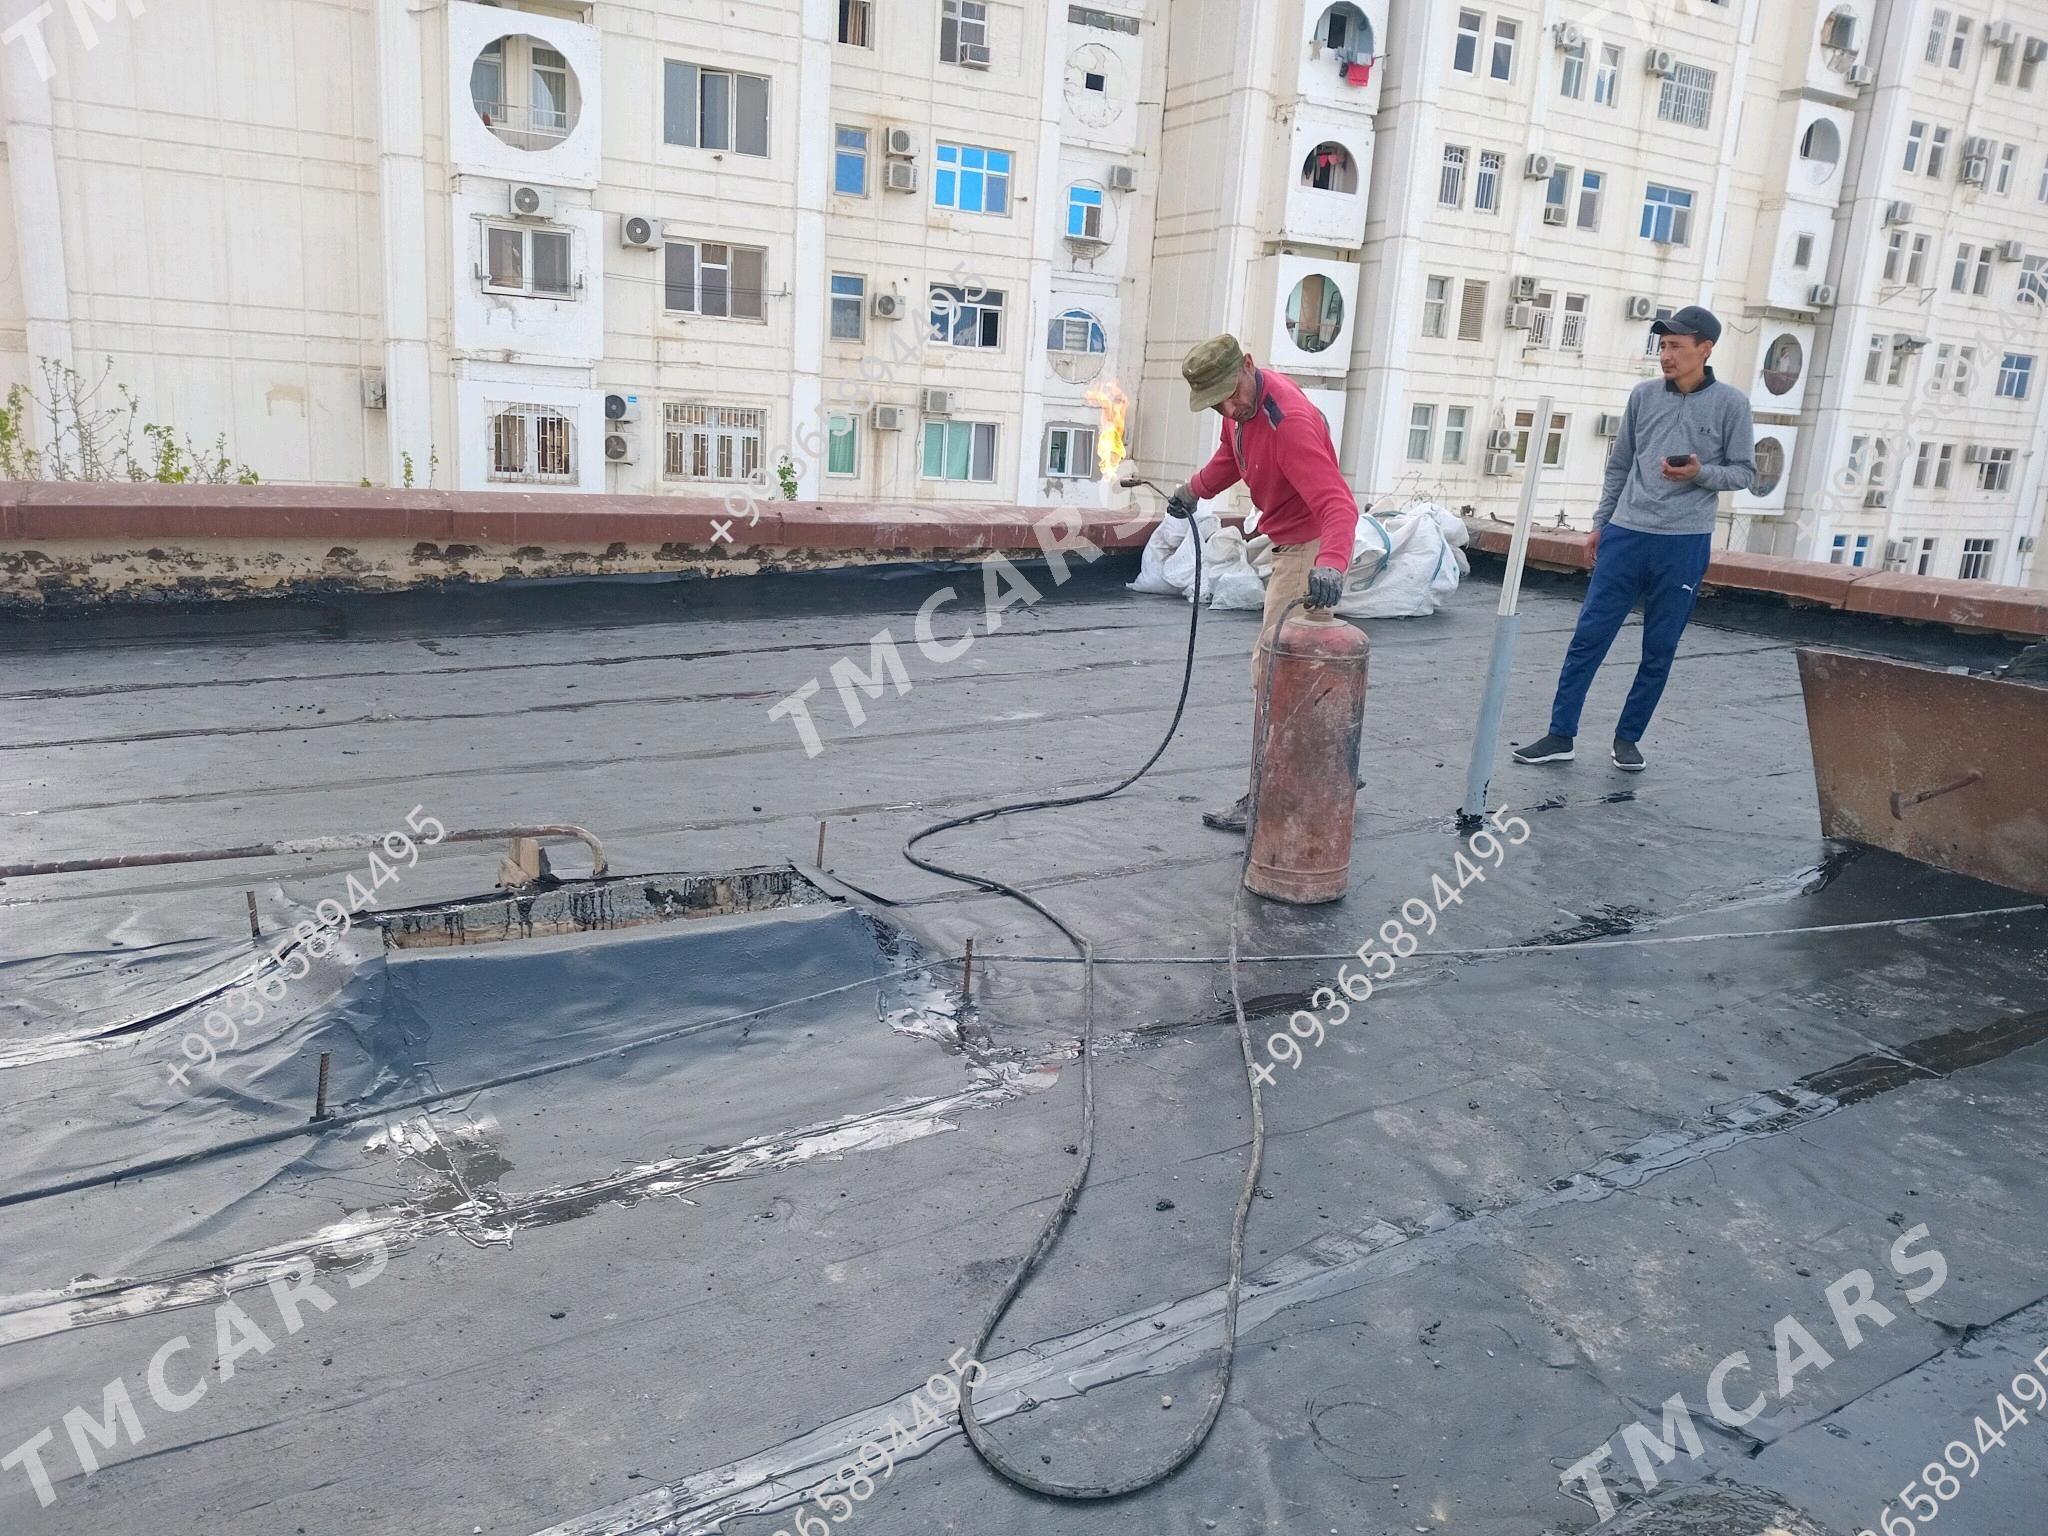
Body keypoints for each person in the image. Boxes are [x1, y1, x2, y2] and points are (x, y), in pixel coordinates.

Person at [1513, 305, 1755, 773]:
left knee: (1659, 646)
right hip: (1626, 534)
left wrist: (1700, 473)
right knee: (1588, 637)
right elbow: (1620, 464)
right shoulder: (1643, 396)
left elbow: (1744, 472)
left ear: (1705, 349)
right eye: (1663, 346)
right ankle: (1560, 734)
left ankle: (1628, 739)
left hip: (1683, 542)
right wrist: (1601, 524)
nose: (1666, 356)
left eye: (1677, 347)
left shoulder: (1731, 404)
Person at [1169, 334, 1363, 833]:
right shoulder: (1236, 413)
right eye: (1216, 403)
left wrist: (1332, 565)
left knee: (1275, 671)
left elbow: (1338, 504)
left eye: (1230, 395)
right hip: (1287, 544)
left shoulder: (1289, 423)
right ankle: (1325, 773)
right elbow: (1232, 460)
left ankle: (1272, 794)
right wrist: (1192, 491)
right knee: (1299, 673)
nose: (1228, 408)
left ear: (1248, 365)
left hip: (1309, 550)